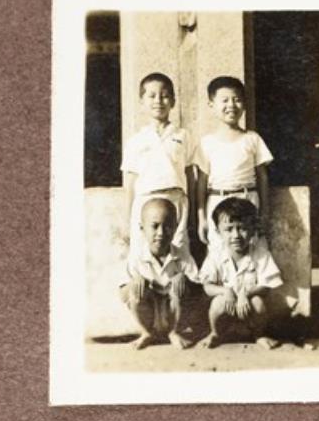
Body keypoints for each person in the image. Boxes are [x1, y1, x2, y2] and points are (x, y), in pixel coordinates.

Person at [194, 76, 273, 251]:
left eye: (237, 99)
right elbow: (201, 182)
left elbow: (262, 177)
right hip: (217, 201)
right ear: (211, 104)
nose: (231, 105)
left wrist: (264, 212)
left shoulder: (252, 139)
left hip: (248, 199)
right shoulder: (206, 143)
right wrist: (201, 218)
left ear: (244, 104)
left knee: (252, 249)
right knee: (219, 251)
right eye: (225, 100)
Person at [121, 72, 194, 259]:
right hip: (145, 201)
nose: (158, 101)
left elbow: (190, 175)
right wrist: (127, 220)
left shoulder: (183, 136)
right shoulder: (136, 140)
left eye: (165, 95)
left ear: (173, 101)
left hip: (176, 199)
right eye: (152, 96)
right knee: (143, 254)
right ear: (142, 102)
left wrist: (192, 211)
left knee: (178, 251)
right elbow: (130, 184)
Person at [199, 197, 282, 350]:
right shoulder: (216, 255)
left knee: (258, 302)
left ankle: (259, 335)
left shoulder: (261, 254)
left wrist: (246, 294)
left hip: (249, 313)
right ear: (218, 232)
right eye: (229, 229)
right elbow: (207, 286)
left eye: (242, 228)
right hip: (227, 313)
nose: (236, 235)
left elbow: (266, 286)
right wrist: (225, 291)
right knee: (217, 302)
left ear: (253, 229)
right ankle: (215, 333)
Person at [120, 196, 199, 350]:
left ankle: (174, 332)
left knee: (180, 283)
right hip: (149, 314)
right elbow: (123, 294)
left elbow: (199, 290)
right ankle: (146, 333)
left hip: (174, 314)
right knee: (136, 288)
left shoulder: (182, 256)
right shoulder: (136, 258)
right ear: (142, 228)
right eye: (154, 226)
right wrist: (134, 284)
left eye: (168, 226)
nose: (161, 233)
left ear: (176, 228)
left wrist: (184, 281)